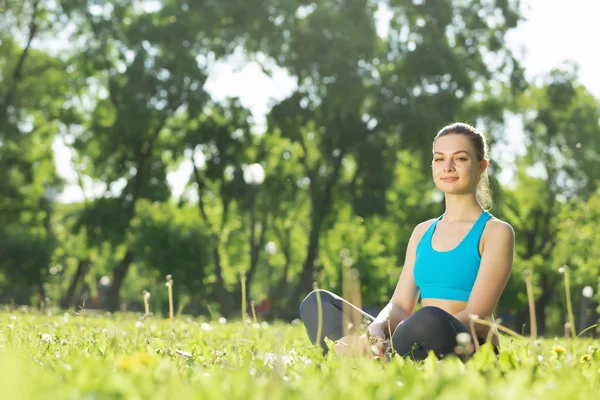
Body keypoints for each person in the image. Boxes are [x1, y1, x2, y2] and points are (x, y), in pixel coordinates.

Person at [299, 122, 515, 361]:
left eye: (461, 159)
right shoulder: (422, 232)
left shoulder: (495, 232)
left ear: (481, 166)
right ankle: (375, 356)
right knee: (317, 303)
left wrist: (406, 334)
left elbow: (476, 316)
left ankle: (363, 357)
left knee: (429, 318)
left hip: (464, 346)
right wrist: (378, 328)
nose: (448, 167)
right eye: (439, 159)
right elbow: (400, 305)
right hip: (412, 338)